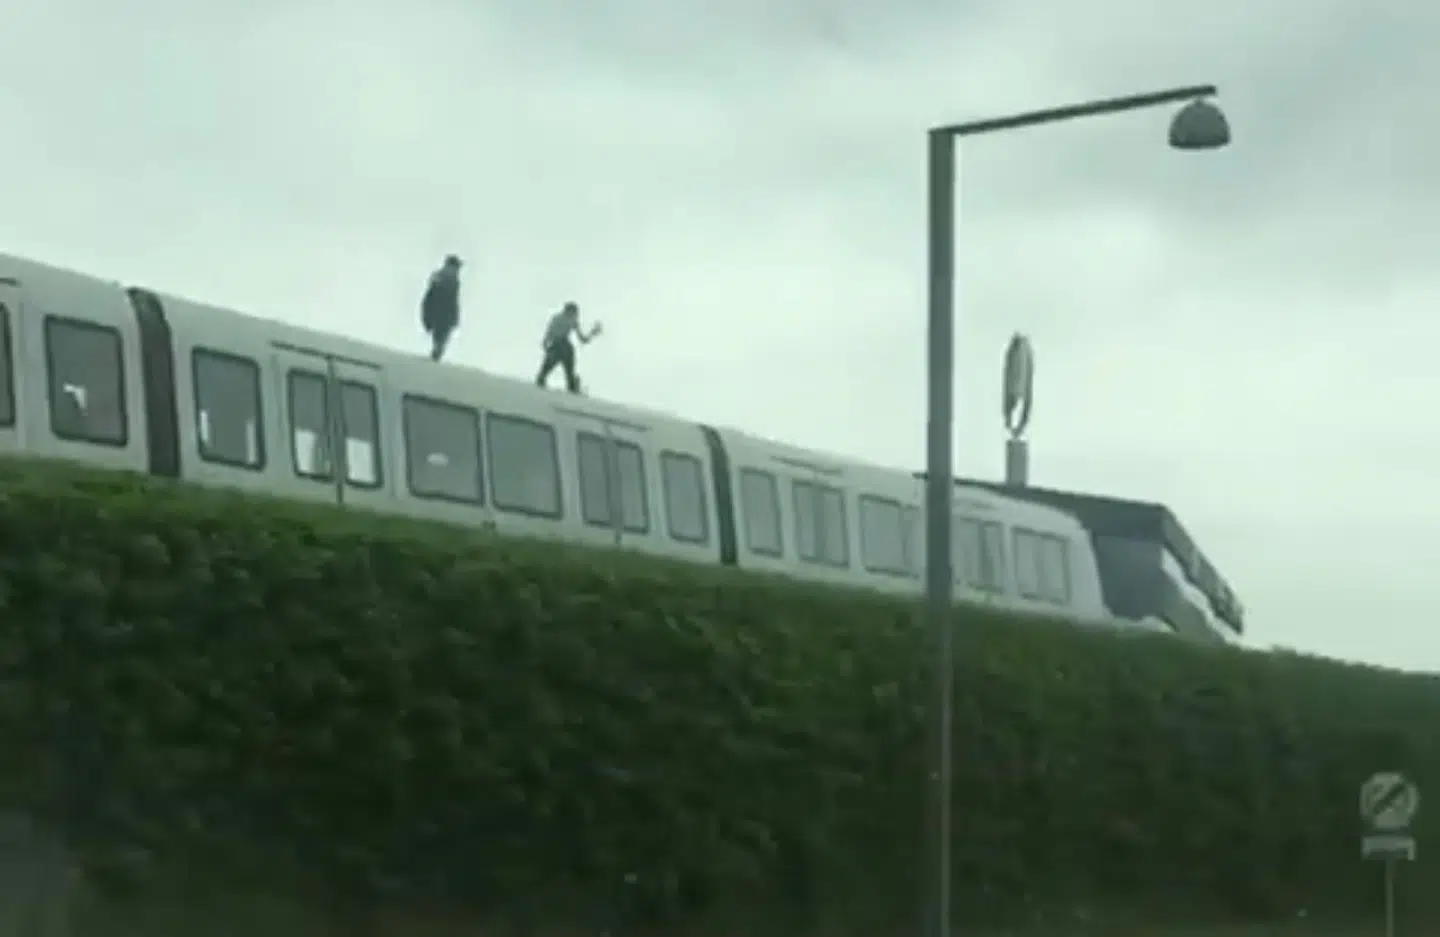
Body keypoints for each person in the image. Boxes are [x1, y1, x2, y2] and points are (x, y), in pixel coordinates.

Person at [536, 301, 601, 393]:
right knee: (568, 371)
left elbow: (549, 332)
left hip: (558, 345)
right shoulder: (569, 320)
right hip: (563, 346)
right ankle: (572, 387)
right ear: (570, 311)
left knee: (548, 369)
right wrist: (593, 333)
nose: (576, 315)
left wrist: (545, 343)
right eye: (575, 313)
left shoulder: (558, 318)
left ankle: (544, 381)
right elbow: (582, 339)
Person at [420, 254, 462, 362]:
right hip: (444, 315)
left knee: (439, 338)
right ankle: (436, 354)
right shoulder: (452, 280)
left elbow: (428, 298)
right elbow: (452, 302)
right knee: (441, 338)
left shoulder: (440, 278)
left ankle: (436, 353)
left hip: (439, 314)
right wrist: (455, 318)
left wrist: (426, 316)